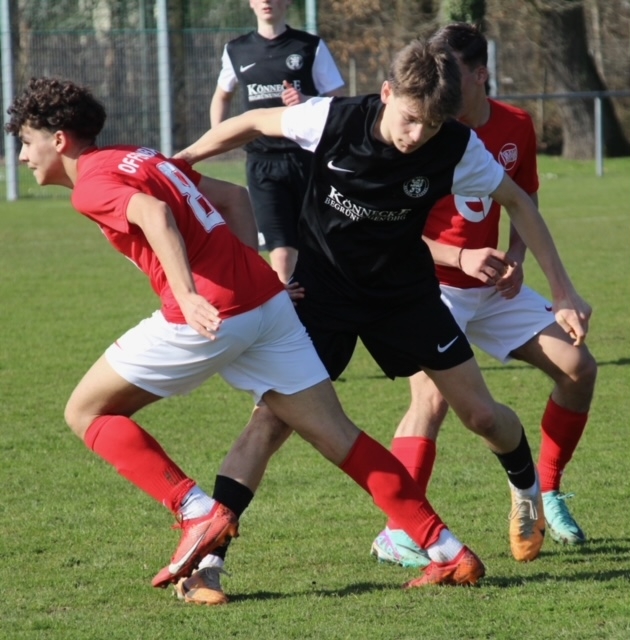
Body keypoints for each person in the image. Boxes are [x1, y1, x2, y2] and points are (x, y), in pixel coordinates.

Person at [6, 76, 493, 607]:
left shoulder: (91, 184)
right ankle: (446, 549)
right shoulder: (137, 156)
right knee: (339, 436)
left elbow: (154, 214)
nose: (23, 156)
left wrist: (189, 294)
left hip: (210, 312)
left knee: (85, 411)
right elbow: (234, 198)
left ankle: (194, 510)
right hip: (267, 302)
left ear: (59, 140)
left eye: (26, 142)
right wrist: (244, 272)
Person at [175, 38, 591, 603]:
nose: (416, 135)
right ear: (387, 92)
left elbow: (519, 201)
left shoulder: (456, 145)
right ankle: (209, 563)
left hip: (404, 296)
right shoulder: (333, 119)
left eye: (432, 124)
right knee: (270, 422)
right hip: (324, 297)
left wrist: (563, 291)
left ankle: (527, 491)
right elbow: (250, 122)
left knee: (480, 415)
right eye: (410, 118)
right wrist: (183, 161)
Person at [369, 23, 597, 569]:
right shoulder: (423, 128)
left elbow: (525, 201)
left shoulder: (515, 124)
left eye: (449, 71)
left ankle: (547, 493)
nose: (438, 83)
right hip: (429, 286)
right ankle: (397, 531)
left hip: (492, 287)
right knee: (430, 400)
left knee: (578, 367)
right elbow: (389, 228)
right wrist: (458, 257)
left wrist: (517, 258)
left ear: (479, 74)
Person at [210, 0, 345, 283]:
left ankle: (318, 303)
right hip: (263, 164)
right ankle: (286, 308)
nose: (267, 1)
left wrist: (307, 100)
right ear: (251, 3)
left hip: (307, 158)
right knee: (281, 253)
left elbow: (339, 101)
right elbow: (222, 96)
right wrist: (218, 137)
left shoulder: (309, 47)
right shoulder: (236, 50)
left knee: (318, 247)